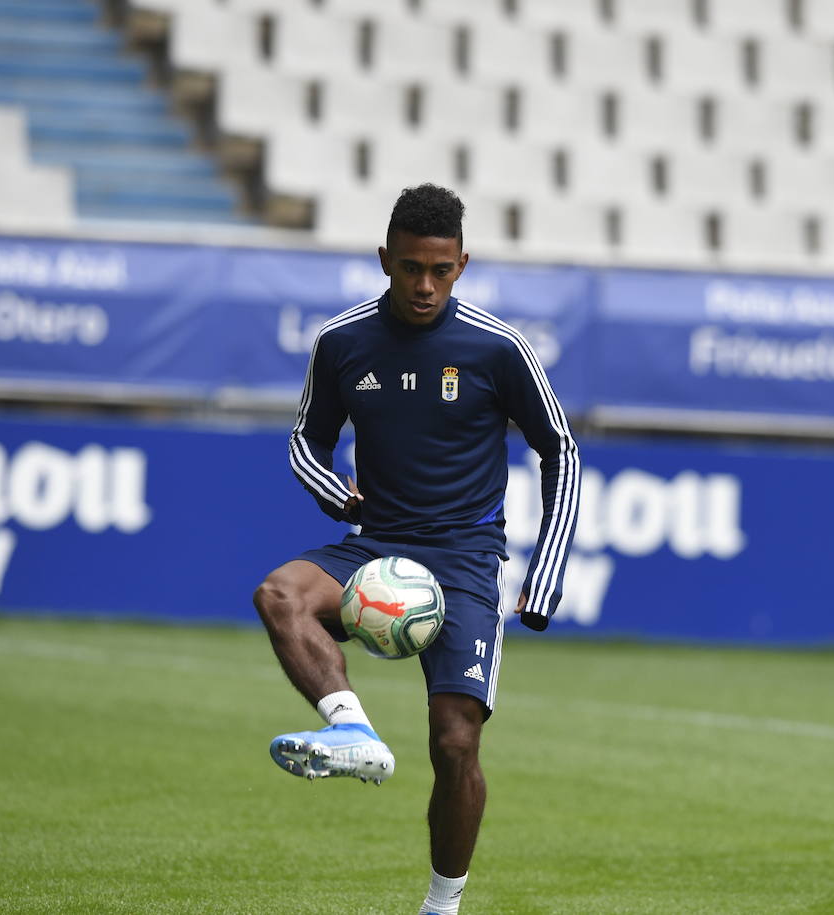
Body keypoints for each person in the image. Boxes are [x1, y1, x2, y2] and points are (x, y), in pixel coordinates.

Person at [253, 183, 580, 915]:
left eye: (439, 270)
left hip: (464, 561)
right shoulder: (341, 341)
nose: (424, 285)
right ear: (384, 261)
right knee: (279, 593)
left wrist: (546, 570)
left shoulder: (498, 347)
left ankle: (442, 905)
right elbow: (308, 439)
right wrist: (333, 491)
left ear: (461, 264)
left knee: (455, 741)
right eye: (409, 269)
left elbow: (560, 448)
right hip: (375, 546)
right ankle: (352, 728)